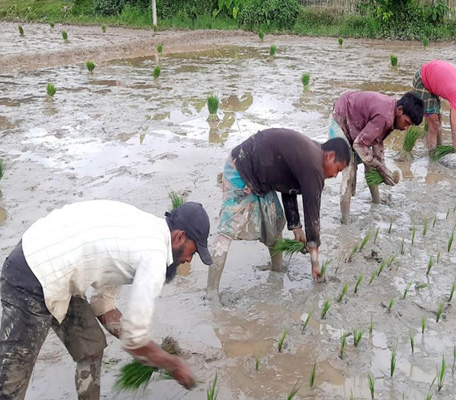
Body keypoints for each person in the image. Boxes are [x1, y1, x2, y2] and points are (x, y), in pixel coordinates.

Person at [0, 200, 213, 399]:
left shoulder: (142, 235)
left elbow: (102, 306)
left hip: (61, 272)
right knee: (11, 383)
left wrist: (150, 349)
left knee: (91, 346)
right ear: (179, 237)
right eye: (192, 253)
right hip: (32, 271)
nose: (187, 260)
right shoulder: (154, 257)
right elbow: (134, 341)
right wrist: (172, 364)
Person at [206, 129, 350, 295]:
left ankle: (276, 272)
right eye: (338, 169)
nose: (335, 175)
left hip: (263, 180)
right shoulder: (314, 166)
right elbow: (313, 216)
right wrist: (315, 262)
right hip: (241, 167)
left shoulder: (311, 155)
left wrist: (296, 227)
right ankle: (211, 293)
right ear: (330, 156)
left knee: (275, 225)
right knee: (226, 232)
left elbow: (289, 186)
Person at [329, 91, 424, 224]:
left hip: (356, 121)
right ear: (400, 110)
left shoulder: (392, 113)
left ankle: (376, 203)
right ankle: (345, 222)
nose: (406, 128)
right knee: (349, 172)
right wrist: (381, 168)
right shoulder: (384, 116)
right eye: (407, 123)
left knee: (372, 165)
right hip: (341, 118)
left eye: (410, 126)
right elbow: (359, 144)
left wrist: (382, 167)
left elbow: (377, 141)